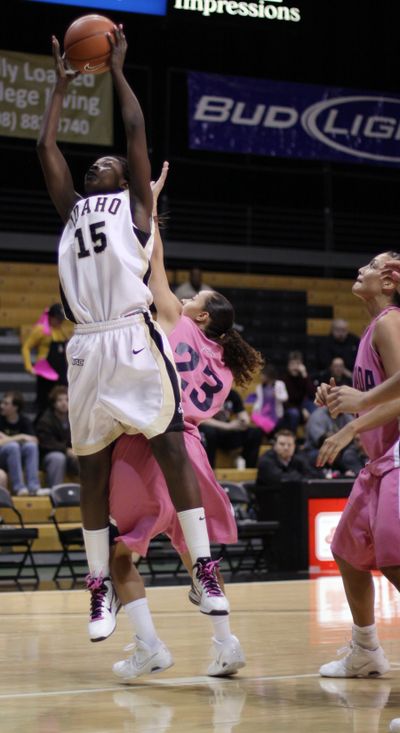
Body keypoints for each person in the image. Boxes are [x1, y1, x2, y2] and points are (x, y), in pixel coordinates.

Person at [37, 28, 229, 642]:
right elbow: (47, 148)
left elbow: (136, 132)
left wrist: (118, 69)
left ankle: (203, 566)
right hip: (88, 343)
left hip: (133, 336)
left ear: (128, 180)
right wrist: (61, 89)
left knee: (171, 446)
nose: (99, 162)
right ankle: (99, 588)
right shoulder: (72, 210)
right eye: (95, 161)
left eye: (109, 162)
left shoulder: (135, 209)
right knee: (90, 471)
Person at [109, 168, 263, 678]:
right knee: (198, 560)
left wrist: (149, 209)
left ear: (199, 316)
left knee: (121, 554)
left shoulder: (175, 318)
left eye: (197, 296)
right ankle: (226, 642)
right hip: (193, 455)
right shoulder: (223, 365)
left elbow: (155, 260)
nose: (188, 294)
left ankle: (149, 645)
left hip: (156, 443)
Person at [315, 251, 400, 678]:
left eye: (372, 264)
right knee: (347, 551)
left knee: (394, 557)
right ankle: (365, 649)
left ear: (389, 281)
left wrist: (352, 426)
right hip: (380, 461)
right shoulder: (373, 330)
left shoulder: (390, 322)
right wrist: (342, 401)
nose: (361, 269)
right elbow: (381, 397)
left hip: (397, 458)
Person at [21, 303, 70, 417]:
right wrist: (29, 367)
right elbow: (26, 347)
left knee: (62, 399)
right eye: (58, 319)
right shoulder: (41, 329)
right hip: (46, 371)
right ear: (51, 317)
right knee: (44, 403)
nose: (60, 322)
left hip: (61, 371)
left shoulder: (61, 330)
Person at [199, 388, 263, 468]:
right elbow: (200, 419)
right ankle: (209, 470)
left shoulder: (232, 394)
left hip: (227, 433)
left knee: (255, 432)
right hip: (211, 430)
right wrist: (228, 426)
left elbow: (243, 414)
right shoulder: (203, 392)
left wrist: (243, 421)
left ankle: (249, 469)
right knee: (209, 432)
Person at [0, 391, 43, 496]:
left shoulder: (24, 421)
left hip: (17, 458)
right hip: (2, 457)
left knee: (31, 447)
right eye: (2, 403)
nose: (1, 406)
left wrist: (8, 438)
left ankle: (34, 487)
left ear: (15, 407)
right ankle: (19, 487)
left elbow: (34, 440)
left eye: (6, 404)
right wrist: (20, 437)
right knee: (13, 446)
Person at [36, 385, 79, 487]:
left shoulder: (74, 418)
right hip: (48, 455)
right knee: (58, 458)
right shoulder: (45, 420)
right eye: (60, 400)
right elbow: (46, 443)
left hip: (70, 455)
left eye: (67, 400)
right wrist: (66, 450)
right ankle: (55, 491)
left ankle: (88, 491)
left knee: (86, 458)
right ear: (54, 403)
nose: (64, 403)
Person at [303, 406, 364, 477]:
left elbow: (356, 436)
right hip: (317, 449)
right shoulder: (317, 416)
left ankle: (356, 475)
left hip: (341, 449)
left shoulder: (346, 416)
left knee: (351, 453)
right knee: (320, 453)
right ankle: (322, 477)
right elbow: (321, 440)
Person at [249, 364, 288, 437]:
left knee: (275, 425)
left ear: (269, 375)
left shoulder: (280, 384)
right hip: (263, 413)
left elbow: (285, 397)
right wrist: (255, 411)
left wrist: (277, 395)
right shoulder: (260, 387)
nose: (261, 377)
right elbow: (259, 401)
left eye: (263, 375)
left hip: (275, 413)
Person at [283, 351, 316, 433]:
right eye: (292, 364)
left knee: (315, 410)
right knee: (294, 413)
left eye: (297, 364)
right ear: (288, 365)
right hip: (289, 408)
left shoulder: (303, 378)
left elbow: (312, 394)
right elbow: (286, 402)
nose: (295, 367)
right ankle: (292, 437)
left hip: (302, 406)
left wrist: (305, 374)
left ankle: (311, 439)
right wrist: (302, 410)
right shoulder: (283, 380)